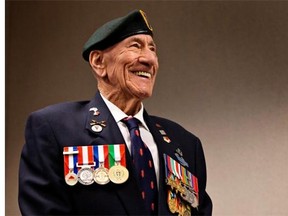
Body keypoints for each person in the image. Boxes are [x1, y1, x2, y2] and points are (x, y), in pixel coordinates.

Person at [18, 10, 212, 215]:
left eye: (152, 49)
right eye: (135, 46)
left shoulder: (186, 144)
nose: (149, 59)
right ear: (99, 62)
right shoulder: (55, 129)